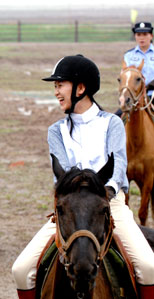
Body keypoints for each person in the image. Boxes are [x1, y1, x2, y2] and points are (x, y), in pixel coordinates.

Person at [11, 55, 154, 298]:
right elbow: (64, 175)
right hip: (70, 209)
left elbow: (119, 167)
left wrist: (105, 192)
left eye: (60, 85)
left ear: (80, 88)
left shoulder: (112, 124)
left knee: (149, 267)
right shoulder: (55, 131)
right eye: (55, 87)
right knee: (21, 270)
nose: (56, 92)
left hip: (110, 204)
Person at [123, 22, 154, 99]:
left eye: (145, 34)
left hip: (152, 94)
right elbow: (125, 76)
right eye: (138, 35)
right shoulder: (128, 55)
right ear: (135, 36)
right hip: (135, 96)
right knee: (119, 111)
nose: (141, 38)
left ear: (151, 36)